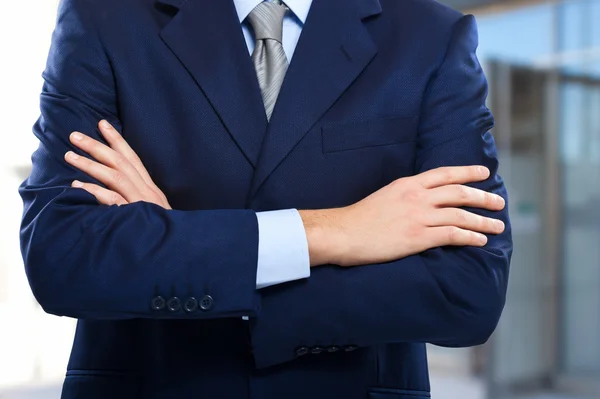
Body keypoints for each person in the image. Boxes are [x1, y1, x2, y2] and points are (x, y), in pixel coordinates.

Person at [18, 0, 513, 397]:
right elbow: (62, 256)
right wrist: (339, 231)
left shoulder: (430, 36)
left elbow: (468, 292)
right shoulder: (104, 16)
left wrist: (178, 246)